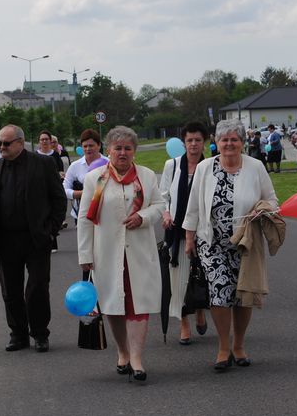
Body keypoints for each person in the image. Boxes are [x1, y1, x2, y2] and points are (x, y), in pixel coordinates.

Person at [0, 125, 67, 353]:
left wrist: (52, 230)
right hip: (5, 239)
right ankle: (18, 333)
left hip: (36, 238)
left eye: (6, 143)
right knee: (10, 290)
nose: (1, 147)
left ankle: (39, 333)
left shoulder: (43, 164)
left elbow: (58, 200)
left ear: (20, 142)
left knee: (37, 287)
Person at [182, 118, 277, 371]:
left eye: (234, 139)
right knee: (220, 292)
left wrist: (264, 210)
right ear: (216, 142)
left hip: (245, 242)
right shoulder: (204, 168)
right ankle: (224, 347)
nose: (229, 144)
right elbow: (193, 205)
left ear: (242, 143)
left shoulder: (255, 167)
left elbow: (272, 200)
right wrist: (189, 238)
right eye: (224, 140)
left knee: (243, 296)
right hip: (211, 242)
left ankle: (239, 345)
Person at [78, 126, 165, 382]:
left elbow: (160, 205)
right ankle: (123, 352)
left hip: (139, 252)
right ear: (108, 150)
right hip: (106, 252)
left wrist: (143, 216)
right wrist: (85, 254)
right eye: (118, 148)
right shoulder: (95, 179)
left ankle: (137, 359)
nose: (123, 153)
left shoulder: (147, 176)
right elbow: (84, 218)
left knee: (139, 304)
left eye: (128, 148)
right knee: (113, 305)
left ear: (134, 151)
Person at [159, 121, 208, 346]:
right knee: (178, 278)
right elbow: (163, 195)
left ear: (204, 142)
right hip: (177, 229)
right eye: (190, 140)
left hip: (203, 230)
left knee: (200, 275)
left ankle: (200, 309)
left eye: (198, 140)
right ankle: (184, 322)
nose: (194, 144)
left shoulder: (209, 165)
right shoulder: (173, 165)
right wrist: (166, 214)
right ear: (183, 142)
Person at [63, 129, 109, 226]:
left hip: (106, 212)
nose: (88, 149)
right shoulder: (75, 166)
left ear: (99, 145)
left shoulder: (109, 163)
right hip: (81, 213)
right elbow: (64, 188)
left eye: (91, 145)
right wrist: (80, 193)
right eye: (85, 146)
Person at [37, 130, 65, 251]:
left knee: (52, 216)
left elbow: (61, 171)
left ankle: (53, 243)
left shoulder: (55, 155)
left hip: (53, 190)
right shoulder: (35, 155)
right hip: (40, 191)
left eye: (46, 139)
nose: (44, 141)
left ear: (50, 141)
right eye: (42, 139)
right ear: (39, 142)